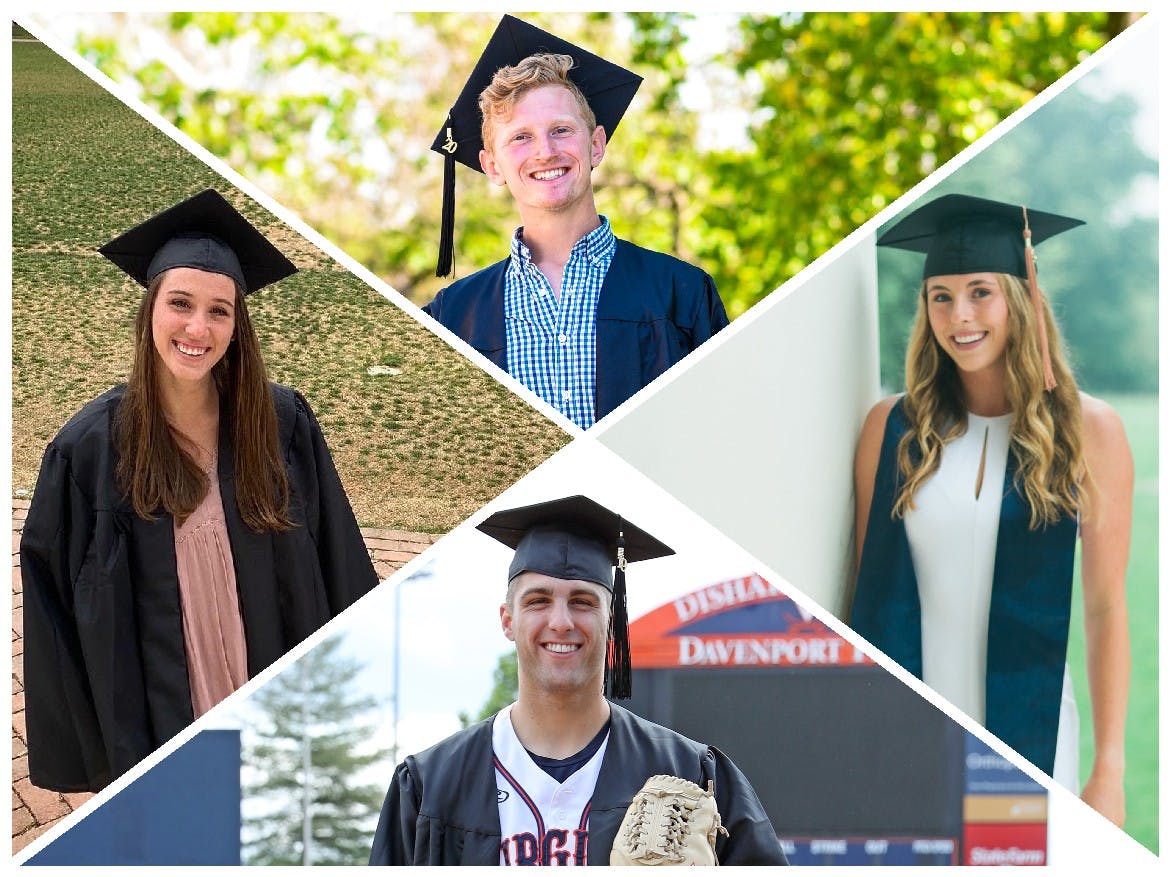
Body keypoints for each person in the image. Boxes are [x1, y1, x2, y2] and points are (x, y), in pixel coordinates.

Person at [20, 188, 380, 793]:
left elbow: (338, 561)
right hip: (160, 706)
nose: (198, 327)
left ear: (238, 325)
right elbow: (56, 607)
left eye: (220, 310)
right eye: (180, 303)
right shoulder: (90, 447)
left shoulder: (282, 423)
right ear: (150, 311)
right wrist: (90, 750)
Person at [851, 194, 1131, 826]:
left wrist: (1109, 770)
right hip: (908, 730)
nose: (960, 316)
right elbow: (863, 589)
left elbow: (1108, 607)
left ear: (1021, 297)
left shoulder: (1089, 431)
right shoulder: (891, 429)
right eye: (941, 296)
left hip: (1034, 730)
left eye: (981, 291)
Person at [369, 495, 788, 865]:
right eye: (538, 601)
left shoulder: (690, 773)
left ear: (611, 621)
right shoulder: (430, 786)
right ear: (508, 620)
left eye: (583, 602)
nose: (561, 621)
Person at [423, 15, 729, 430]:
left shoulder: (682, 292)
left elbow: (721, 428)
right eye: (520, 137)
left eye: (561, 130)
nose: (545, 151)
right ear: (491, 165)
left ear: (596, 144)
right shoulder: (451, 317)